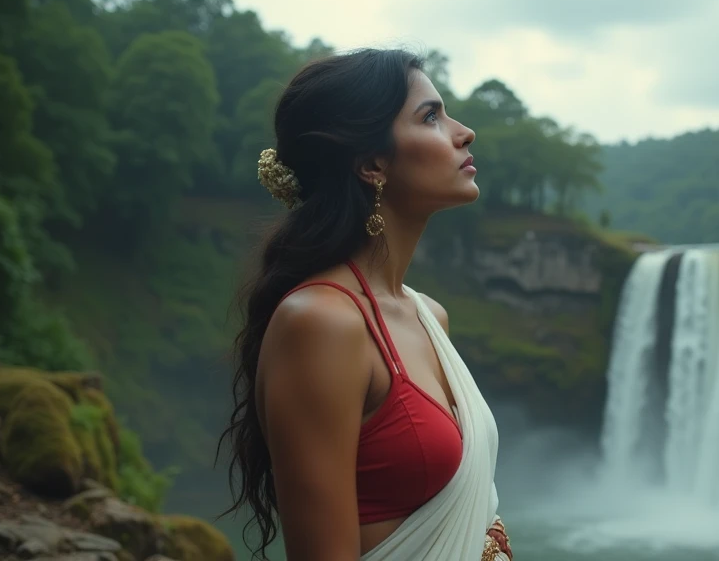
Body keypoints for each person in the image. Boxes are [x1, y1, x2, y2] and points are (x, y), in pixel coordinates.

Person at [218, 49, 513, 561]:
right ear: (372, 163)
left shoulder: (429, 315)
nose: (463, 132)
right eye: (430, 116)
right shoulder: (321, 322)